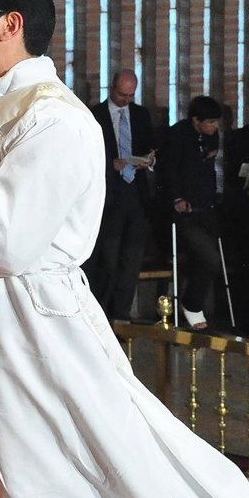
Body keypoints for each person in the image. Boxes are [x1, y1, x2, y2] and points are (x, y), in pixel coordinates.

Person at [0, 0, 249, 498]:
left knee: (115, 457)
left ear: (11, 24)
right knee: (25, 477)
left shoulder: (54, 118)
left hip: (35, 313)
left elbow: (8, 241)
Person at [85, 68, 155, 320]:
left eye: (131, 95)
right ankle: (103, 316)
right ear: (112, 88)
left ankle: (122, 317)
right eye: (122, 94)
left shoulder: (141, 115)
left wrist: (149, 160)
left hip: (136, 193)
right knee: (108, 259)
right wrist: (110, 165)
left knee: (131, 259)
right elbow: (87, 156)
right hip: (109, 196)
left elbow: (150, 147)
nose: (126, 100)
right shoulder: (95, 115)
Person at [161, 94, 226, 330]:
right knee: (210, 258)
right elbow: (169, 171)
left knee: (208, 258)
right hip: (185, 212)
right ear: (196, 120)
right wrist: (177, 198)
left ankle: (194, 303)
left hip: (206, 206)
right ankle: (192, 303)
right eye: (210, 122)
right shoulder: (177, 135)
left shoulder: (211, 136)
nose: (214, 127)